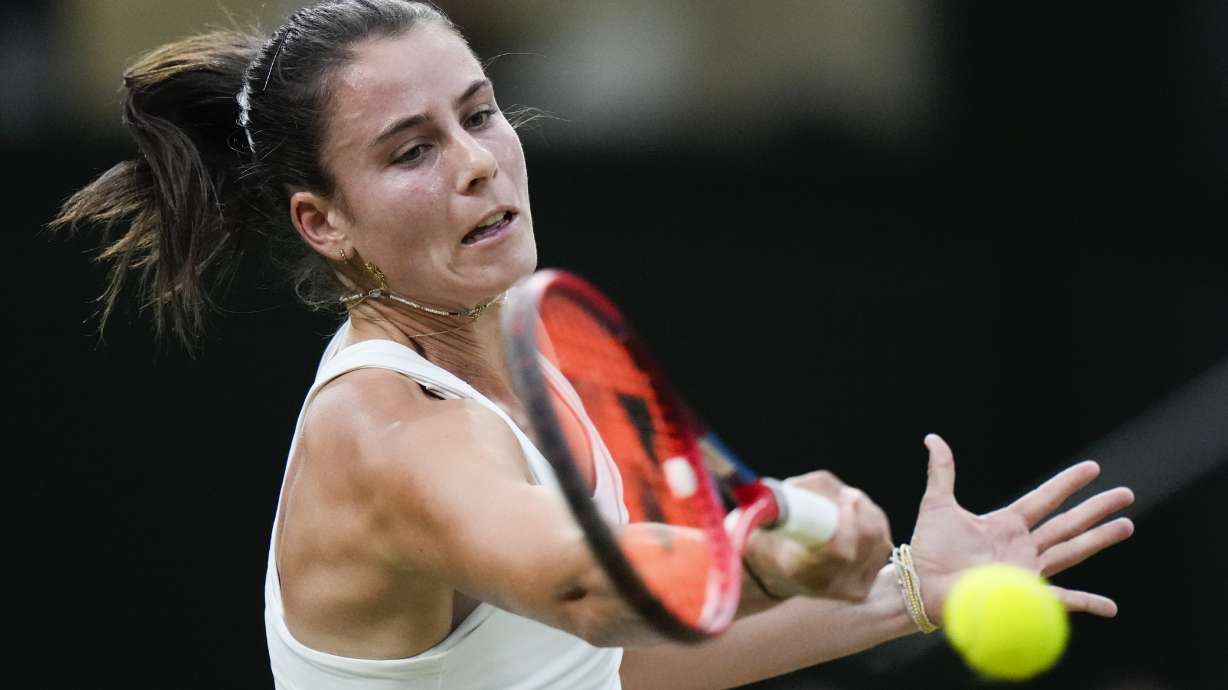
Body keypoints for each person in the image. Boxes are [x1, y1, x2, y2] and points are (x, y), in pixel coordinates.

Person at [50, 2, 1135, 688]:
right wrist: (756, 554)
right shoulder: (386, 437)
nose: (478, 161)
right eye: (412, 149)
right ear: (321, 221)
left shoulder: (537, 358)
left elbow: (599, 668)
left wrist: (901, 589)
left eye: (479, 113)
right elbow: (582, 593)